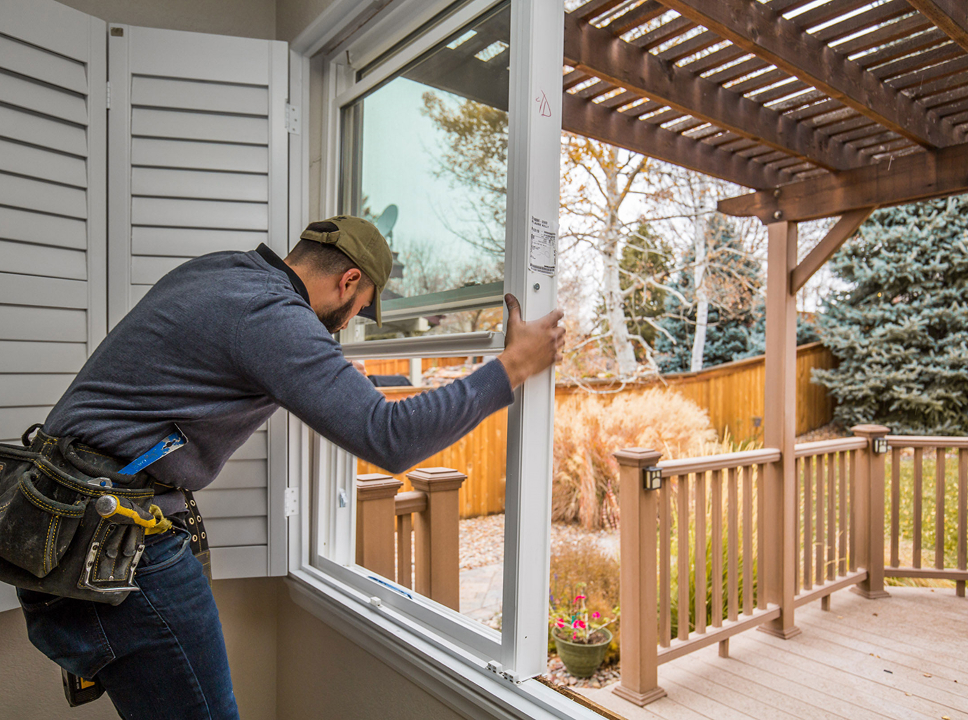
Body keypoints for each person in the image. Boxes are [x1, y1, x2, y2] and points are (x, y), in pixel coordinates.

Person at [17, 216, 565, 719]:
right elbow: (389, 437)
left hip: (68, 518)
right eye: (358, 311)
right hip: (112, 540)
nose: (346, 326)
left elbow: (325, 387)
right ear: (349, 282)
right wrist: (513, 366)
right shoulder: (272, 315)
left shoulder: (224, 274)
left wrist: (394, 392)